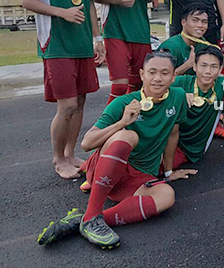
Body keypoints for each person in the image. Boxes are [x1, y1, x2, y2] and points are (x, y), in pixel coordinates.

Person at [37, 52, 194, 248]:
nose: (157, 78)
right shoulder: (123, 102)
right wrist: (122, 123)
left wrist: (169, 173)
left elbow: (172, 134)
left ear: (173, 77)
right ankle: (93, 212)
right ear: (142, 74)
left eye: (164, 73)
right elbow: (87, 143)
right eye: (152, 72)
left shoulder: (177, 97)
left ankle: (84, 220)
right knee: (128, 135)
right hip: (106, 167)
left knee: (167, 196)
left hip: (138, 178)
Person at [22, 0, 105, 180]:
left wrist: (97, 38)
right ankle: (58, 159)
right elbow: (27, 0)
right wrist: (61, 12)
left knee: (80, 103)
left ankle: (70, 154)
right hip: (55, 45)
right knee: (66, 105)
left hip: (82, 44)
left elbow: (90, 4)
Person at [169, 45, 224, 168]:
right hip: (169, 141)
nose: (208, 71)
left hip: (195, 148)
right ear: (194, 66)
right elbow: (151, 91)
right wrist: (178, 96)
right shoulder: (180, 82)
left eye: (213, 66)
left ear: (221, 69)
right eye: (203, 66)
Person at [157, 3, 211, 76]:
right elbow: (160, 78)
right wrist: (188, 64)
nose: (200, 25)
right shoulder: (171, 46)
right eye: (195, 20)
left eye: (204, 22)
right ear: (183, 22)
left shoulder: (204, 43)